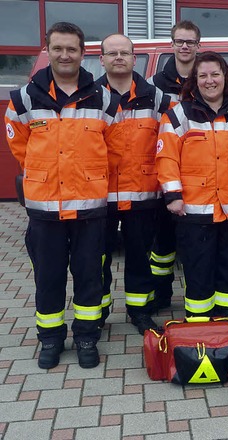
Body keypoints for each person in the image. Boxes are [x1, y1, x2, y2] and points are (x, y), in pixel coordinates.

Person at [4, 22, 122, 369]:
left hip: (89, 210)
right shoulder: (24, 98)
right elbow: (18, 143)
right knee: (48, 277)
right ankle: (51, 339)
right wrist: (43, 171)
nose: (65, 55)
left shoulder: (103, 98)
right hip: (44, 210)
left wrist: (88, 174)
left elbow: (113, 148)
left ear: (83, 53)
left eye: (72, 49)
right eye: (58, 48)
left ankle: (86, 337)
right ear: (48, 50)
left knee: (89, 277)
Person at [156, 51, 228, 318]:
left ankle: (224, 322)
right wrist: (173, 195)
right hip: (194, 211)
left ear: (226, 77)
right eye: (203, 76)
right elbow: (166, 157)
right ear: (194, 80)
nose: (209, 81)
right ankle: (198, 324)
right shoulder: (179, 115)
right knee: (198, 272)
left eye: (215, 74)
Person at [96, 33, 171, 335]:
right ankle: (96, 313)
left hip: (142, 194)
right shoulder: (88, 96)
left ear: (134, 58)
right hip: (98, 195)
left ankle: (139, 311)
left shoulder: (157, 98)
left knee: (140, 257)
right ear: (101, 59)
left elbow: (168, 144)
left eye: (124, 52)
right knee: (96, 258)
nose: (118, 58)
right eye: (111, 53)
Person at [148, 20, 201, 310]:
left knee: (195, 243)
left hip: (199, 174)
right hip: (166, 173)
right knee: (163, 243)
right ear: (172, 44)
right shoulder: (156, 84)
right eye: (180, 41)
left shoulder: (206, 77)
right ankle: (162, 294)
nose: (184, 46)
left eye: (190, 42)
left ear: (198, 46)